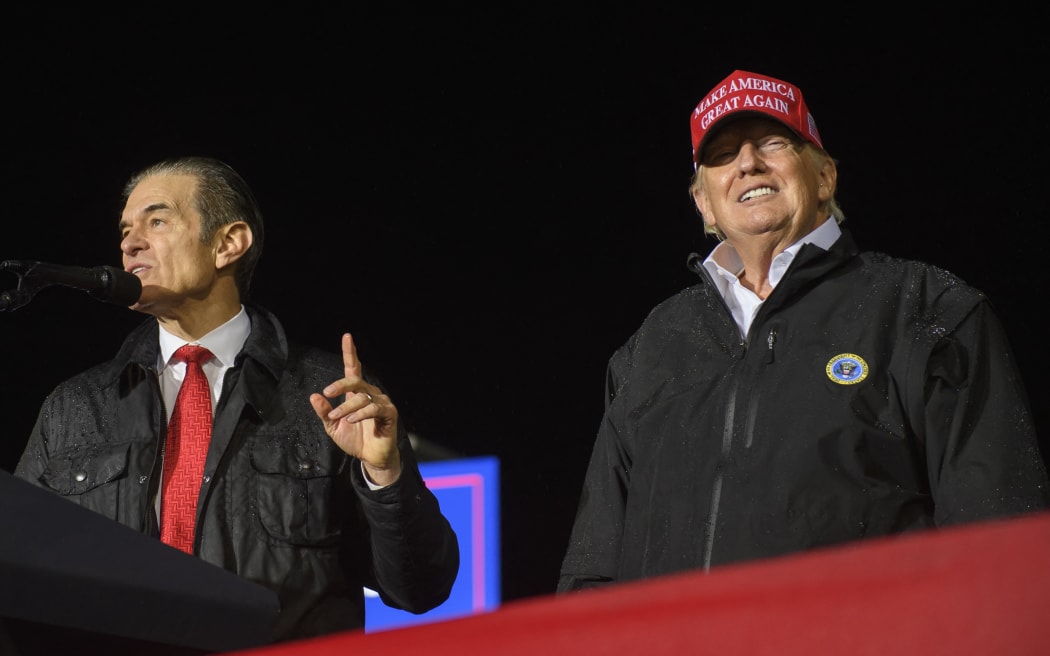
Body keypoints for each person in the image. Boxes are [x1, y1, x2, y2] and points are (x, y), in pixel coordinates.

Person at [557, 70, 1050, 592]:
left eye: (773, 142)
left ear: (824, 177)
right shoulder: (650, 348)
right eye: (722, 155)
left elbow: (1002, 540)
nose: (747, 163)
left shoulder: (927, 309)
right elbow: (594, 568)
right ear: (703, 201)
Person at [13, 156, 459, 642]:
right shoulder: (74, 407)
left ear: (228, 244)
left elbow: (421, 589)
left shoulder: (330, 394)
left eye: (157, 220)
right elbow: (18, 576)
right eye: (125, 229)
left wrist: (383, 476)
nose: (129, 242)